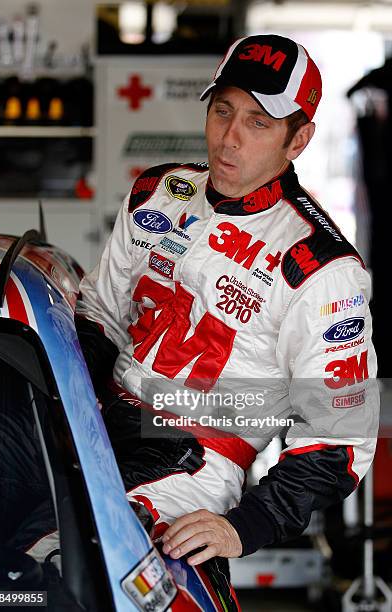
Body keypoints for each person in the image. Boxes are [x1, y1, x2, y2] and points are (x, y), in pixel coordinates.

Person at [75, 32, 378, 567]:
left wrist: (244, 526)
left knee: (81, 562)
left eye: (258, 123)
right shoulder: (159, 191)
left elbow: (340, 438)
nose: (229, 138)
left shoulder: (321, 266)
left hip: (194, 459)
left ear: (299, 139)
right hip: (96, 420)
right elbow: (98, 315)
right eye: (222, 112)